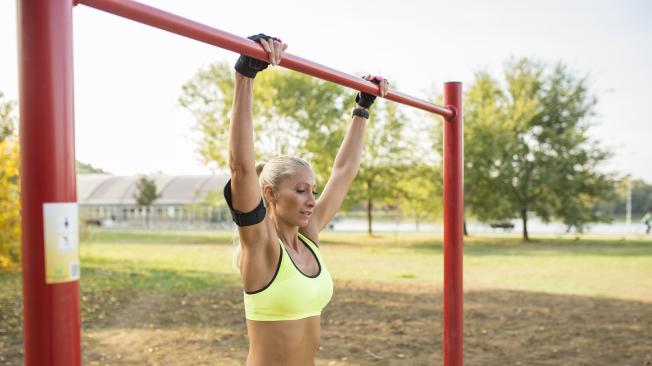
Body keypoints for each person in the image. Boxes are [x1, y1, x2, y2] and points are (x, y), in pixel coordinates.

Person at [223, 34, 388, 366]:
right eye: (300, 191)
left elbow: (343, 173)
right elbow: (241, 168)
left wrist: (362, 108)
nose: (311, 199)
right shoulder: (260, 246)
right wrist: (245, 75)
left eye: (312, 190)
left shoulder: (308, 238)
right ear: (269, 193)